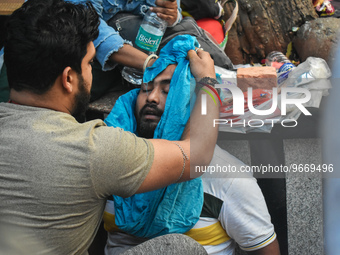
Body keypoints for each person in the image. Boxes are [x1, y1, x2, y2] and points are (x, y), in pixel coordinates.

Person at [0, 1, 220, 254]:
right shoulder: (94, 150)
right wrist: (207, 82)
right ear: (68, 79)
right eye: (89, 64)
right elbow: (196, 155)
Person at [103, 38, 281, 255]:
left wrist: (207, 79)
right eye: (145, 88)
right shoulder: (110, 160)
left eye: (168, 91)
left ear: (194, 103)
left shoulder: (229, 178)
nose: (151, 97)